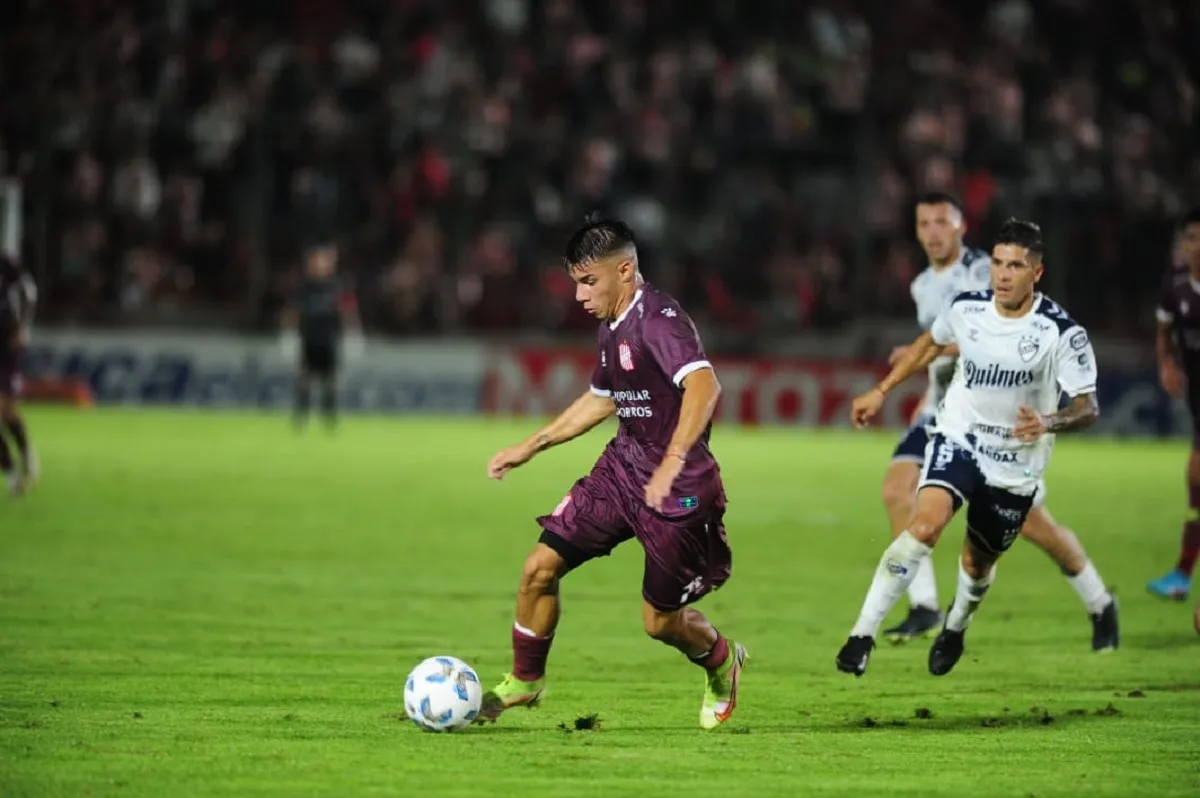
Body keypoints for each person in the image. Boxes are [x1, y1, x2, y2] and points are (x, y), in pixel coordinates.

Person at [481, 215, 746, 729]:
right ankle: (526, 680)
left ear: (625, 270)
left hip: (677, 491)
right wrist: (532, 446)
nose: (579, 295)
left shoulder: (660, 321)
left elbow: (705, 388)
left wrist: (671, 462)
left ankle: (720, 660)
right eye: (575, 282)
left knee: (660, 623)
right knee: (538, 568)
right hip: (621, 472)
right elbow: (602, 401)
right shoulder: (612, 326)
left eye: (588, 282)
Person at [837, 218, 1101, 678]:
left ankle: (956, 625)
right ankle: (861, 635)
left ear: (1036, 273)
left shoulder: (1061, 332)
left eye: (1015, 266)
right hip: (960, 438)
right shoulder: (967, 308)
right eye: (998, 263)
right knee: (924, 525)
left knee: (977, 563)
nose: (1002, 274)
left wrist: (1048, 421)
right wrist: (881, 391)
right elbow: (928, 345)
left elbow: (1088, 407)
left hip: (1015, 463)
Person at [1148, 208, 1200, 600]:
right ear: (1183, 244)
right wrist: (1166, 364)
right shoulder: (1176, 286)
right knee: (1196, 484)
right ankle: (1182, 574)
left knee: (1197, 478)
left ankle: (1183, 573)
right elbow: (1164, 332)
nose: (1198, 247)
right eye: (1192, 238)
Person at [281, 243, 360, 430]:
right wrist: (288, 335)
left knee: (330, 380)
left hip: (329, 339)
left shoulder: (338, 286)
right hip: (308, 338)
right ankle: (301, 416)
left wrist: (353, 334)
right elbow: (293, 312)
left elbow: (347, 311)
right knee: (304, 379)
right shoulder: (304, 287)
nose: (322, 264)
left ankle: (329, 417)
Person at [0, 253, 37, 495]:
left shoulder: (6, 264)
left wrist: (23, 326)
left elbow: (29, 290)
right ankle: (12, 476)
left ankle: (26, 454)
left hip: (6, 348)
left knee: (7, 412)